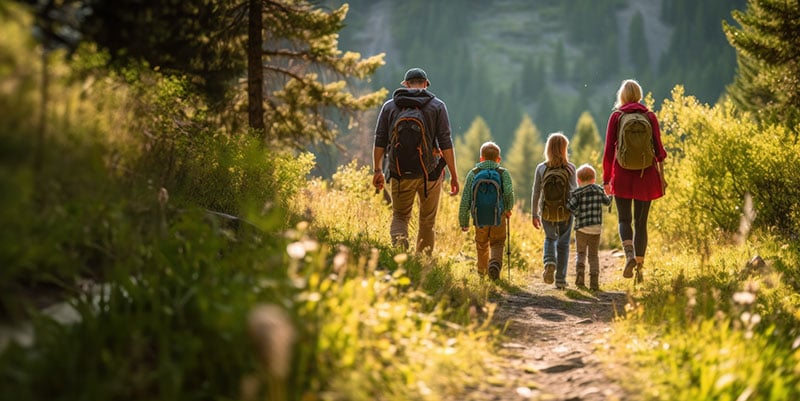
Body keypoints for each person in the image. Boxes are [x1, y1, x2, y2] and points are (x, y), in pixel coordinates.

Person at [372, 67, 460, 254]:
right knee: (427, 221)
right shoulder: (437, 106)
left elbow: (380, 139)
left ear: (405, 84)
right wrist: (454, 175)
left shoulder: (390, 106)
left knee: (400, 216)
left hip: (399, 172)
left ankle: (400, 255)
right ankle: (423, 265)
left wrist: (378, 170)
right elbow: (445, 142)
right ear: (425, 84)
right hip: (431, 173)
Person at [602, 79, 667, 283]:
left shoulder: (617, 116)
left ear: (622, 96)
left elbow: (608, 151)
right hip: (645, 175)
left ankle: (628, 255)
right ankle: (639, 270)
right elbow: (659, 151)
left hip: (621, 175)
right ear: (639, 95)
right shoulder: (649, 116)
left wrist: (606, 179)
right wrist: (662, 177)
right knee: (641, 223)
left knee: (624, 220)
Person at [458, 142, 515, 280]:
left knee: (481, 243)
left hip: (479, 216)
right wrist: (508, 208)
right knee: (498, 242)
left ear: (481, 158)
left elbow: (466, 198)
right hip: (498, 215)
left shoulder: (473, 173)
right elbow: (508, 192)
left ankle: (482, 273)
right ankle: (494, 265)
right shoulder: (503, 173)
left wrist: (464, 221)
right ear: (498, 159)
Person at [531, 132, 577, 289]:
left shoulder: (541, 168)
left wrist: (534, 214)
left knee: (550, 238)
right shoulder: (570, 168)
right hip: (565, 211)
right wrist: (576, 212)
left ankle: (549, 261)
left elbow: (536, 192)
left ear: (548, 149)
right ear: (564, 149)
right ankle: (560, 280)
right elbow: (573, 192)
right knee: (563, 244)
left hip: (546, 211)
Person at [566, 164, 612, 290]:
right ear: (594, 179)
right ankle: (594, 282)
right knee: (593, 255)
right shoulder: (598, 190)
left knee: (581, 253)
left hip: (581, 229)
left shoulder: (577, 193)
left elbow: (570, 207)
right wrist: (610, 194)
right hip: (596, 230)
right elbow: (607, 202)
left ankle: (580, 277)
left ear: (578, 180)